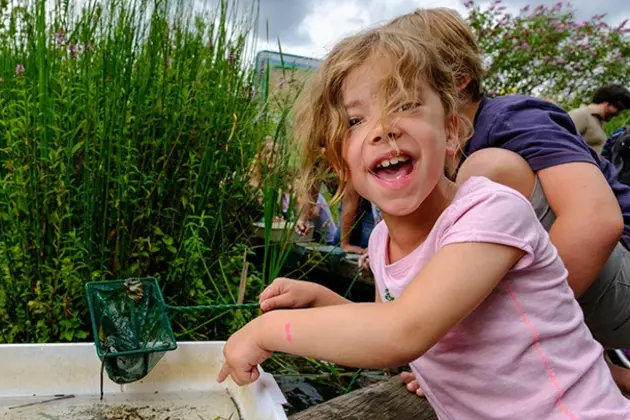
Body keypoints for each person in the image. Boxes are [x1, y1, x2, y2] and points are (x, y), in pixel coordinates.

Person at [217, 27, 630, 418]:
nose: (382, 129)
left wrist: (265, 330)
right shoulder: (380, 241)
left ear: (451, 131)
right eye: (355, 121)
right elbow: (391, 333)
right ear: (339, 164)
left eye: (403, 104)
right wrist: (323, 300)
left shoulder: (490, 209)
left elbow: (402, 332)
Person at [383, 7, 630, 396]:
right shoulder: (441, 149)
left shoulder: (510, 119)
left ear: (459, 80)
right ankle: (607, 375)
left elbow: (596, 220)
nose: (392, 109)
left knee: (487, 170)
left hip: (619, 274)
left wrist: (483, 347)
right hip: (584, 296)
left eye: (404, 91)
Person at [569, 85, 630, 154]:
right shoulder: (581, 115)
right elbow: (560, 140)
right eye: (619, 109)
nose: (618, 114)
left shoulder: (598, 122)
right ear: (607, 103)